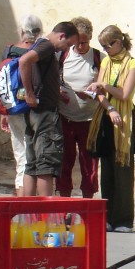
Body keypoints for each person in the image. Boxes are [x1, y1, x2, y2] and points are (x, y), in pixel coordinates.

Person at [87, 25, 135, 232]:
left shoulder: (133, 63)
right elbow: (99, 93)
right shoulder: (106, 62)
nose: (106, 49)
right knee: (107, 167)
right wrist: (109, 108)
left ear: (119, 41)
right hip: (107, 116)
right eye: (103, 46)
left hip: (125, 118)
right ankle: (107, 217)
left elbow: (125, 94)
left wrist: (104, 87)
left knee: (123, 168)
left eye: (109, 44)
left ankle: (124, 219)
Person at [17, 20, 78, 196]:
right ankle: (46, 214)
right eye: (68, 44)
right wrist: (29, 93)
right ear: (61, 36)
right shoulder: (47, 46)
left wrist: (56, 93)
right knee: (46, 163)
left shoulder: (40, 45)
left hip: (35, 112)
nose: (66, 49)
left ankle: (27, 212)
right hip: (44, 113)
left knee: (32, 163)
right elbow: (24, 61)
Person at [56, 16, 101, 199]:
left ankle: (87, 203)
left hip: (89, 119)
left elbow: (103, 83)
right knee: (64, 162)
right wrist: (59, 92)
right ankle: (64, 202)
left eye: (85, 42)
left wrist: (94, 89)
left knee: (89, 163)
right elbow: (54, 79)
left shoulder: (98, 57)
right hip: (65, 118)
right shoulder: (63, 56)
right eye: (78, 43)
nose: (81, 47)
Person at [0, 14, 42, 196]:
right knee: (36, 159)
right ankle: (31, 202)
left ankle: (20, 204)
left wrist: (3, 112)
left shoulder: (9, 50)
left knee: (21, 157)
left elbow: (3, 84)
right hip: (36, 108)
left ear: (22, 30)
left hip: (14, 108)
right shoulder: (41, 50)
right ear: (39, 31)